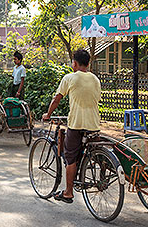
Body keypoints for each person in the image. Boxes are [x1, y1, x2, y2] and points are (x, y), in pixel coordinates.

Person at [42, 49, 101, 204]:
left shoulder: (69, 77)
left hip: (76, 124)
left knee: (70, 157)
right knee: (92, 152)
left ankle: (68, 192)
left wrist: (48, 114)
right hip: (94, 124)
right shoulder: (95, 79)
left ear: (74, 63)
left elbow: (57, 99)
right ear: (88, 63)